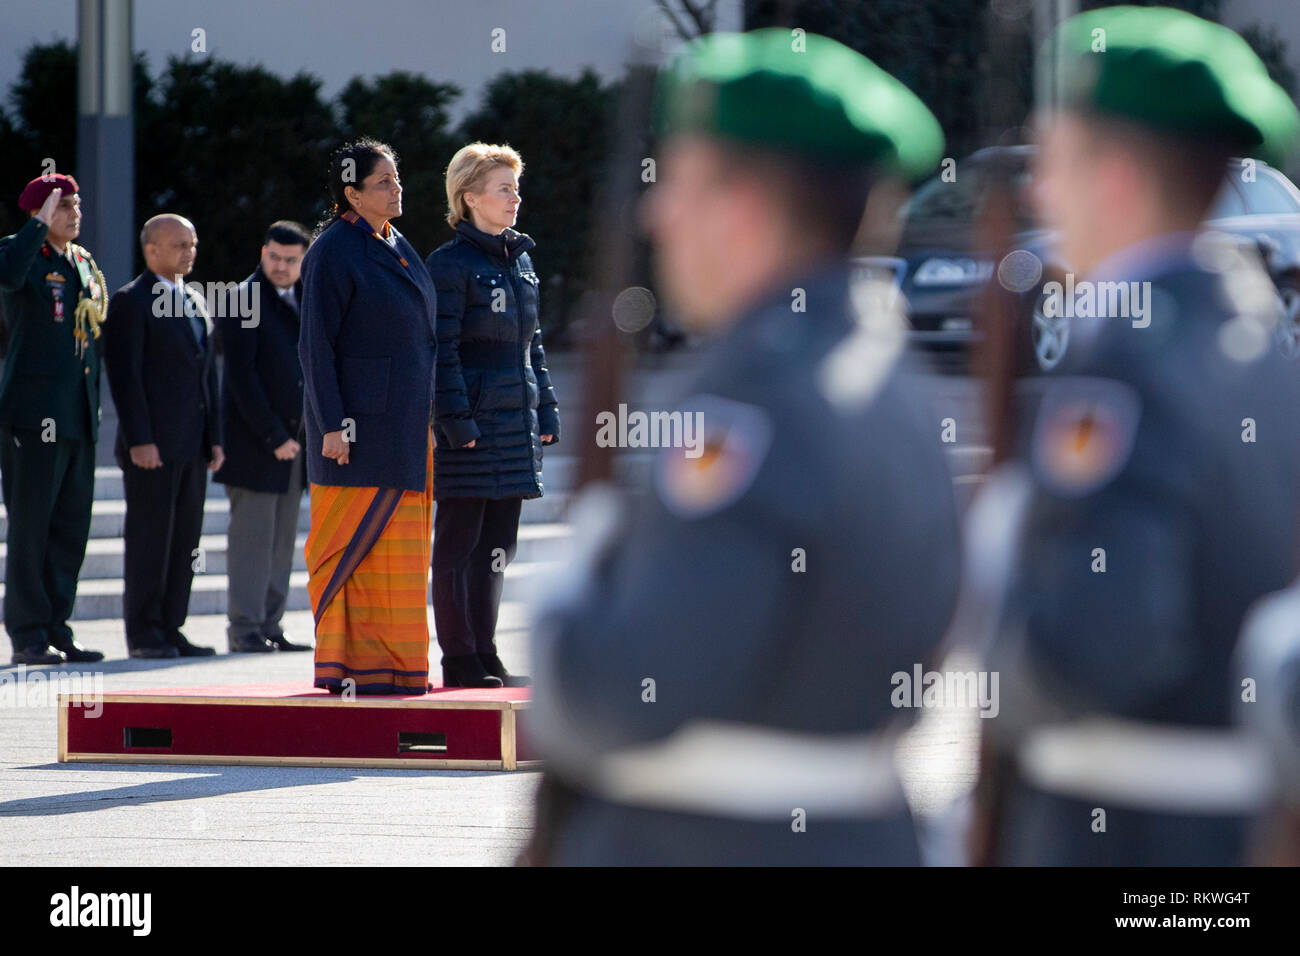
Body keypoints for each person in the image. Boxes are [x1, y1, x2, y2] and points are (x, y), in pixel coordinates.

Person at [523, 29, 961, 864]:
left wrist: (565, 613)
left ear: (746, 205)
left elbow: (633, 692)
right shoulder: (891, 375)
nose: (659, 213)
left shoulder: (753, 400)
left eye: (682, 182)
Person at [970, 5, 1300, 866]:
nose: (1040, 193)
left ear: (1112, 176)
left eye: (1053, 162)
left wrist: (994, 594)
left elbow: (1094, 650)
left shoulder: (1125, 365)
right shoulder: (1261, 344)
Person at [298, 139, 438, 695]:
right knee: (354, 552)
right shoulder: (332, 250)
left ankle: (400, 667)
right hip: (355, 433)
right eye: (384, 182)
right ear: (352, 194)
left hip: (404, 428)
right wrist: (331, 424)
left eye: (397, 178)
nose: (397, 188)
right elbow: (315, 347)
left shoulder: (397, 242)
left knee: (399, 558)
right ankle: (352, 667)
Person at [426, 143, 559, 689]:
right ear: (469, 196)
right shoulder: (448, 265)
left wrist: (545, 407)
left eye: (516, 187)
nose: (515, 197)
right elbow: (441, 348)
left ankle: (487, 651)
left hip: (515, 426)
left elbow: (534, 346)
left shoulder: (520, 259)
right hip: (473, 430)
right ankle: (459, 658)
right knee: (458, 549)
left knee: (499, 550)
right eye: (504, 188)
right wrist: (456, 423)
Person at [0, 175, 107, 665]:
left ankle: (57, 625)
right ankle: (27, 633)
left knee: (69, 529)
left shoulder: (81, 262)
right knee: (31, 528)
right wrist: (38, 226)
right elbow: (9, 276)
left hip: (76, 415)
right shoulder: (21, 252)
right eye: (63, 206)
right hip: (33, 416)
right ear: (39, 213)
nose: (75, 212)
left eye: (77, 204)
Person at [104, 214, 222, 658]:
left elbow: (206, 375)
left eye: (192, 244)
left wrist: (215, 438)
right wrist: (139, 439)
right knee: (150, 539)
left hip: (191, 444)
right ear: (151, 249)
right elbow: (125, 376)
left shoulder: (193, 299)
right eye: (179, 245)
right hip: (151, 447)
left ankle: (172, 626)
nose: (189, 252)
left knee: (184, 540)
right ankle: (144, 631)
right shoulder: (131, 300)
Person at [214, 220, 313, 654]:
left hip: (297, 445)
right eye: (273, 257)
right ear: (262, 252)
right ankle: (245, 628)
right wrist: (273, 435)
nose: (280, 266)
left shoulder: (309, 298)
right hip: (255, 445)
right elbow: (241, 378)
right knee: (252, 544)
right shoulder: (242, 299)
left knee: (281, 542)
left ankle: (270, 625)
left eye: (291, 260)